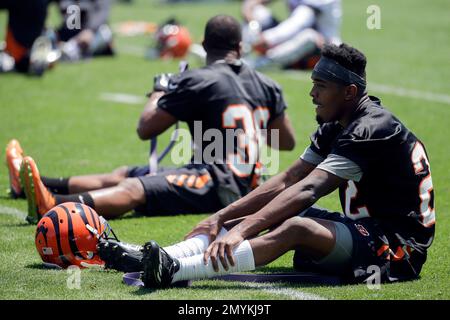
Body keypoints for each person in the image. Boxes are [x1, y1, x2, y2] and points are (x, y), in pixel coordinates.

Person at [99, 43, 435, 287]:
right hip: (366, 231)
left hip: (397, 248)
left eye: (321, 86)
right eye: (313, 84)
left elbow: (308, 189)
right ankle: (160, 256)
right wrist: (222, 218)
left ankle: (176, 270)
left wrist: (241, 231)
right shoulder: (338, 122)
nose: (312, 94)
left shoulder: (370, 129)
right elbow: (287, 179)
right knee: (264, 214)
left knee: (294, 226)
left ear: (349, 92)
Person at [7, 14, 296, 224]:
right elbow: (286, 141)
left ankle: (52, 205)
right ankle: (36, 185)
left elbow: (146, 128)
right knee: (125, 173)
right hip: (245, 180)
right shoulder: (266, 84)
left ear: (205, 45)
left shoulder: (200, 79)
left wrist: (160, 90)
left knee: (134, 189)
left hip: (222, 185)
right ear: (241, 47)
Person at [242, 0, 342, 69]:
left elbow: (301, 20)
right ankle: (242, 52)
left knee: (310, 36)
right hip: (289, 38)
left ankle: (258, 64)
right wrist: (251, 20)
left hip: (319, 49)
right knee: (258, 12)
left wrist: (268, 38)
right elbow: (252, 3)